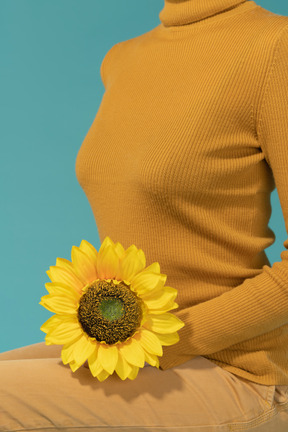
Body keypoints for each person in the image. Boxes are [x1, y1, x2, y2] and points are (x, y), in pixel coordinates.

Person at [1, 0, 288, 430]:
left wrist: (167, 339)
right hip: (131, 350)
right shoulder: (121, 59)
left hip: (238, 371)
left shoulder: (275, 47)